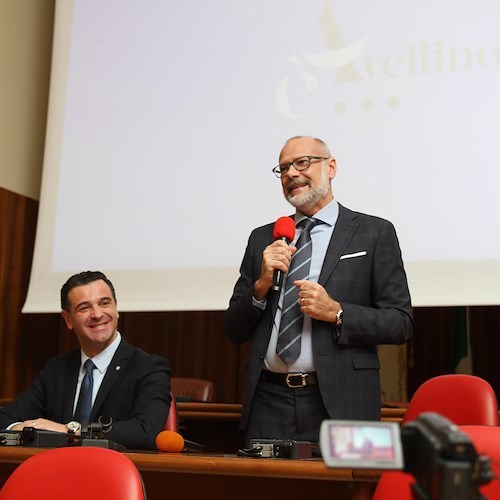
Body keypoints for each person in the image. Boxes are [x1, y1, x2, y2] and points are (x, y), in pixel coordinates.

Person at [224, 136, 413, 446]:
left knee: (351, 492)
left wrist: (337, 312)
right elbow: (233, 329)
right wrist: (260, 286)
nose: (291, 174)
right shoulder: (264, 238)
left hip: (345, 401)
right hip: (268, 400)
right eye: (283, 168)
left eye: (303, 163)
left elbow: (400, 322)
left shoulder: (375, 232)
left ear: (331, 167)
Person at [0, 271, 171, 449]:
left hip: (115, 472)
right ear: (68, 319)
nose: (97, 314)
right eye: (84, 308)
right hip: (59, 471)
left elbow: (146, 431)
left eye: (104, 303)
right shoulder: (57, 369)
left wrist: (69, 430)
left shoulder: (149, 367)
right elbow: (6, 419)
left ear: (116, 308)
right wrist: (19, 428)